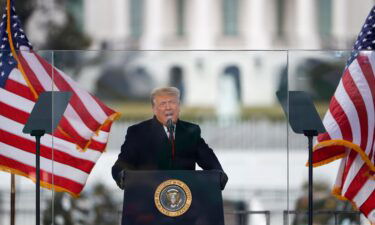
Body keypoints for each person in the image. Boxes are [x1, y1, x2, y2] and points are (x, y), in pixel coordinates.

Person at [112, 87, 228, 190]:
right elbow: (121, 165)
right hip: (148, 199)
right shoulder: (138, 132)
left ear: (179, 106)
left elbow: (208, 158)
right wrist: (121, 175)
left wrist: (219, 174)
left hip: (184, 199)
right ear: (154, 109)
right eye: (163, 103)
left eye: (172, 102)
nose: (168, 107)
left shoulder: (191, 131)